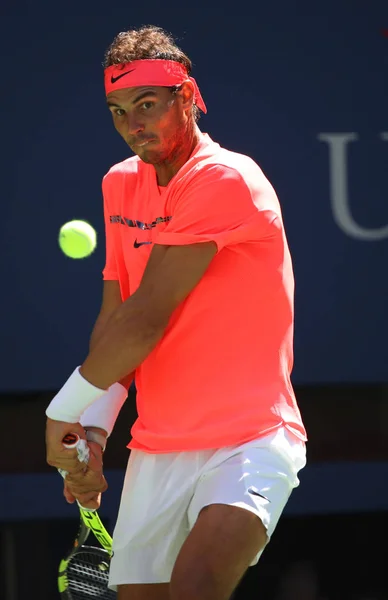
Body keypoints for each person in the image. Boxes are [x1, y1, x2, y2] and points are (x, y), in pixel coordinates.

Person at [45, 25, 307, 600]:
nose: (133, 126)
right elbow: (116, 320)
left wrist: (60, 411)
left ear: (186, 99)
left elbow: (146, 319)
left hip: (251, 440)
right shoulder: (119, 185)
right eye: (118, 112)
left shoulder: (225, 178)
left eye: (147, 106)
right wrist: (91, 429)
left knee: (196, 587)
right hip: (157, 448)